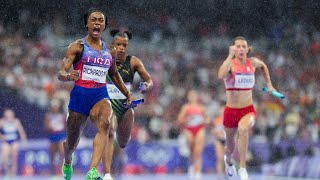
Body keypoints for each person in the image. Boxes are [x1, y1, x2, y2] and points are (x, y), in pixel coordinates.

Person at [58, 8, 133, 180]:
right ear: (87, 24)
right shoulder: (77, 47)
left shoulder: (109, 51)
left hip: (100, 95)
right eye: (93, 19)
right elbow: (61, 72)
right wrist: (69, 76)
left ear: (105, 25)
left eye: (101, 20)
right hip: (79, 98)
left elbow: (114, 74)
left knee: (106, 123)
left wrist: (126, 93)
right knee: (71, 143)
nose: (97, 22)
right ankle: (67, 161)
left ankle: (92, 171)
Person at [218, 36, 277, 180]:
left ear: (248, 49)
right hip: (231, 111)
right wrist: (229, 55)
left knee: (244, 129)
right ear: (233, 48)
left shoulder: (253, 62)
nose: (241, 49)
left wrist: (269, 84)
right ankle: (228, 161)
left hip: (247, 110)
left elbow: (263, 66)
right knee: (230, 148)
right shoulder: (230, 65)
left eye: (243, 46)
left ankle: (243, 168)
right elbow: (220, 75)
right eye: (237, 46)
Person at [101, 30, 154, 180]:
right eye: (118, 44)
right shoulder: (105, 60)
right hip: (107, 104)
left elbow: (149, 81)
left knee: (122, 143)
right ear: (113, 45)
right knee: (109, 131)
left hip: (125, 107)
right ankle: (107, 174)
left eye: (125, 45)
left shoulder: (133, 62)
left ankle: (116, 172)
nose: (122, 48)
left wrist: (146, 86)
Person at [176, 90, 208, 179]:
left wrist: (204, 121)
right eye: (191, 95)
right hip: (189, 129)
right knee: (191, 150)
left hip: (199, 129)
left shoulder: (201, 108)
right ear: (188, 97)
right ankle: (191, 167)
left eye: (194, 95)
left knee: (198, 152)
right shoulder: (186, 107)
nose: (193, 97)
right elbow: (179, 120)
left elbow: (207, 120)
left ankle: (198, 172)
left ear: (197, 97)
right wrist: (188, 119)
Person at [0, 108, 27, 177]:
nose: (9, 116)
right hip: (6, 141)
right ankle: (7, 172)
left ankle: (13, 174)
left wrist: (24, 141)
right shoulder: (2, 121)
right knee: (5, 157)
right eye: (7, 115)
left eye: (10, 114)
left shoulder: (16, 121)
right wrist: (2, 136)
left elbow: (21, 132)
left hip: (14, 141)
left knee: (14, 157)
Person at [44, 99, 66, 175]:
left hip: (60, 135)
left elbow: (65, 126)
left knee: (61, 152)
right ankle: (52, 169)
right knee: (52, 153)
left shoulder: (62, 116)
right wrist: (51, 127)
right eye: (54, 106)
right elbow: (46, 126)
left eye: (56, 106)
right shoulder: (48, 116)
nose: (55, 108)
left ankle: (61, 169)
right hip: (52, 135)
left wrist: (59, 127)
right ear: (52, 107)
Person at [210, 101, 226, 177]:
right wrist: (216, 133)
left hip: (227, 140)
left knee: (226, 158)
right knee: (219, 157)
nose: (222, 111)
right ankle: (219, 175)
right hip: (218, 140)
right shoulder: (216, 120)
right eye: (221, 109)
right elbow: (212, 130)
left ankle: (226, 174)